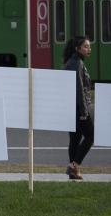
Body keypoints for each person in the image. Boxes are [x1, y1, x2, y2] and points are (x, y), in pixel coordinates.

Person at [63, 36, 94, 180]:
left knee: (75, 139)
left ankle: (74, 172)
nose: (89, 49)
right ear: (77, 49)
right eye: (86, 46)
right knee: (90, 136)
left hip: (72, 107)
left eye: (89, 46)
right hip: (78, 108)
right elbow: (79, 89)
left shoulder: (73, 61)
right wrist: (83, 112)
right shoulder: (77, 63)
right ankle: (74, 165)